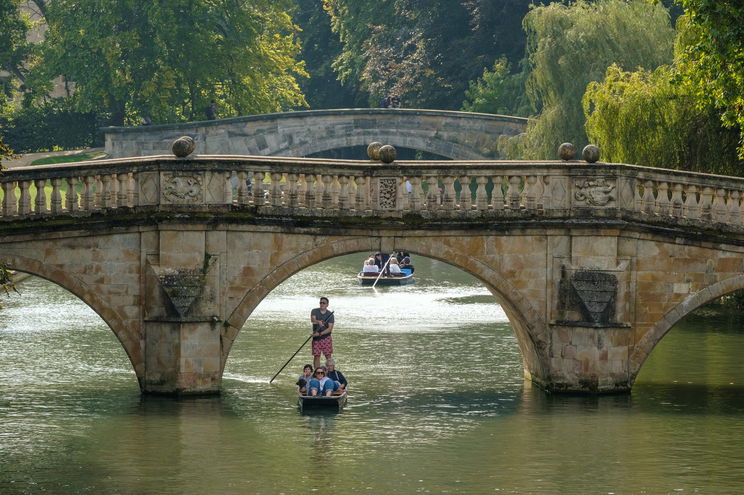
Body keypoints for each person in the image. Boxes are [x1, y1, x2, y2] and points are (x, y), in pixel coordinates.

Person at [310, 297, 334, 369]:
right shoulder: (314, 311)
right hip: (316, 338)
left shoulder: (330, 315)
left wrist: (320, 334)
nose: (322, 304)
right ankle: (317, 371)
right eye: (321, 302)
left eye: (324, 303)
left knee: (328, 356)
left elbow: (329, 329)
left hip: (326, 337)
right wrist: (318, 322)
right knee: (316, 356)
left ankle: (330, 371)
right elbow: (313, 319)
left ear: (327, 305)